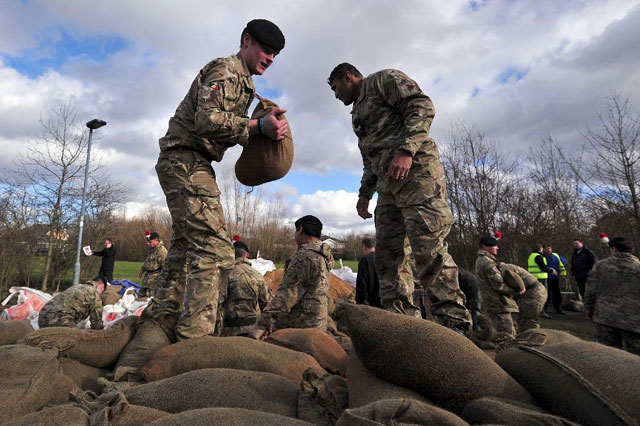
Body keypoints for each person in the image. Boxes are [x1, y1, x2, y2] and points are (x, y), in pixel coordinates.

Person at [146, 19, 287, 341]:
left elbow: (224, 126)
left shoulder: (245, 84)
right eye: (266, 50)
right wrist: (256, 127)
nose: (270, 59)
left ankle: (160, 322)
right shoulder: (225, 70)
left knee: (184, 250)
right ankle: (193, 342)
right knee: (216, 251)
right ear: (246, 41)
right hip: (184, 160)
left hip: (193, 163)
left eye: (275, 55)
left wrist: (261, 126)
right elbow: (207, 120)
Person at [327, 63, 471, 332]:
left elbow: (422, 106)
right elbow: (369, 158)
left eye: (336, 88)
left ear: (348, 77)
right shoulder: (357, 112)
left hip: (417, 176)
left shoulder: (384, 80)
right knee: (387, 257)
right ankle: (402, 324)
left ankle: (454, 325)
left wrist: (406, 150)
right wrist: (364, 195)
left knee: (428, 248)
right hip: (388, 188)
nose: (336, 95)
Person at [249, 215, 333, 340]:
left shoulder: (304, 256)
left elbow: (286, 296)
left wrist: (262, 323)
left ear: (300, 230)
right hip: (317, 325)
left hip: (299, 328)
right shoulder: (323, 257)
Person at [584, 237, 640, 355]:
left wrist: (588, 309)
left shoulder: (600, 266)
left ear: (614, 248)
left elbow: (590, 291)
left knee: (607, 356)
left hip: (605, 317)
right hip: (633, 319)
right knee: (635, 359)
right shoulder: (638, 266)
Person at [217, 240, 271, 337]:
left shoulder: (225, 274)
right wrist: (267, 327)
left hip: (229, 331)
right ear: (247, 255)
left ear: (232, 255)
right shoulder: (258, 275)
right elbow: (266, 303)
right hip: (253, 331)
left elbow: (218, 303)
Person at [475, 236, 523, 336]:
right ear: (485, 247)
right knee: (507, 335)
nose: (497, 248)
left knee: (495, 334)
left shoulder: (480, 261)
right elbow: (498, 285)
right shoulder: (488, 263)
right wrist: (517, 291)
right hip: (498, 304)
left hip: (490, 303)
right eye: (494, 246)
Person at [38, 278, 106, 330]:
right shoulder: (94, 293)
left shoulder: (76, 286)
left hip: (42, 318)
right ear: (102, 287)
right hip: (59, 321)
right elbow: (96, 322)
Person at [499, 263, 547, 332]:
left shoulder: (504, 270)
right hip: (533, 291)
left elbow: (518, 287)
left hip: (534, 292)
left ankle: (534, 339)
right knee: (523, 321)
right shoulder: (505, 268)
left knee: (530, 322)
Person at [527, 244, 556, 319]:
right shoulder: (538, 256)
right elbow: (543, 268)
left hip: (532, 278)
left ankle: (534, 311)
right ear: (540, 249)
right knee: (542, 296)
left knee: (534, 296)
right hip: (540, 278)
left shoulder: (531, 256)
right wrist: (551, 270)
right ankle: (541, 312)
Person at [138, 232, 168, 298]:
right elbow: (148, 261)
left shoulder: (162, 251)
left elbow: (165, 267)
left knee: (150, 298)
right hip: (147, 279)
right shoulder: (152, 250)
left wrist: (162, 281)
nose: (148, 244)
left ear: (156, 240)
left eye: (150, 242)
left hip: (155, 280)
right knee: (140, 296)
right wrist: (142, 270)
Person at [356, 235, 381, 307]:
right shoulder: (384, 258)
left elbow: (361, 283)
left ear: (364, 247)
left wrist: (359, 301)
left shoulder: (365, 260)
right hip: (385, 299)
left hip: (372, 302)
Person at [544, 245, 568, 314]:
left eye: (549, 248)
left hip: (555, 278)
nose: (548, 250)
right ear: (544, 249)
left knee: (557, 294)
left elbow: (564, 262)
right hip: (546, 278)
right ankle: (545, 309)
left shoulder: (556, 255)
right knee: (546, 294)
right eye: (547, 249)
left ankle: (558, 308)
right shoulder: (542, 256)